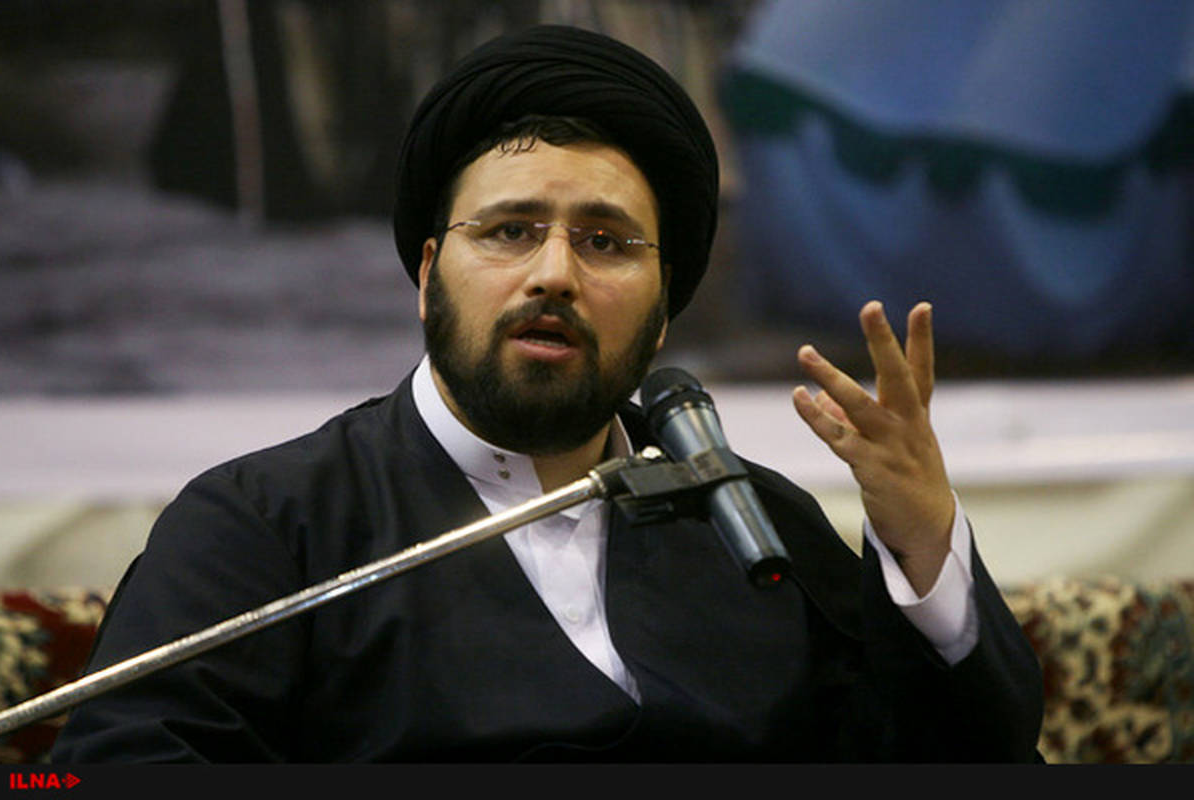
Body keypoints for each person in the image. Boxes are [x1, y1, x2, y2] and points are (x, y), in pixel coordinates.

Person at [50, 25, 1043, 763]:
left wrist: (921, 535)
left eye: (606, 241)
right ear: (429, 275)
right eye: (510, 231)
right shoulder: (262, 526)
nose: (555, 273)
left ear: (662, 314)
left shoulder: (757, 530)